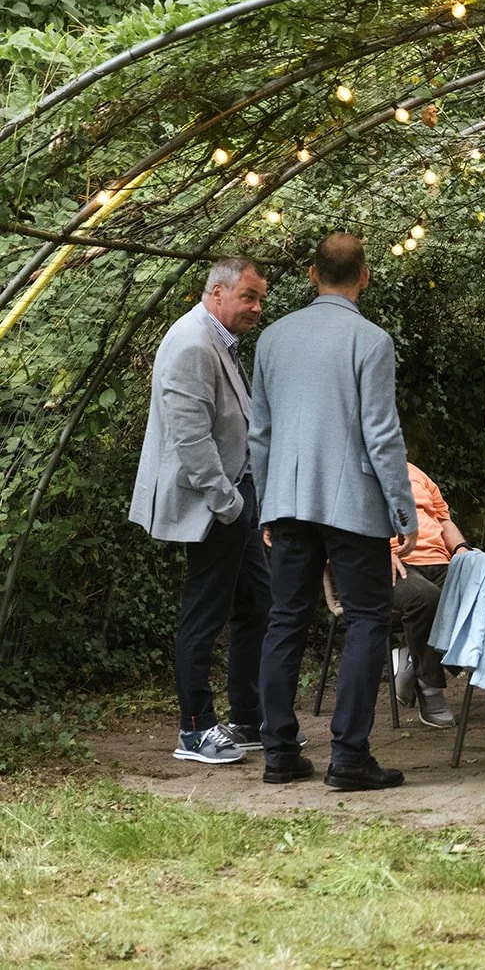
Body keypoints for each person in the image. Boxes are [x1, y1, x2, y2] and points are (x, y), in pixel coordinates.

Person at [250, 233, 417, 791]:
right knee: (368, 619)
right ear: (364, 276)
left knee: (285, 620)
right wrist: (403, 509)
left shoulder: (271, 338)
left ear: (310, 273)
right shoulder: (370, 340)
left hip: (289, 503)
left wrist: (269, 506)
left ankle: (278, 753)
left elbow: (261, 433)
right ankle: (348, 756)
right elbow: (381, 433)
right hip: (353, 505)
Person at [129, 258, 271, 765]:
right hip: (215, 505)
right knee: (204, 615)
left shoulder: (217, 339)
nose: (257, 308)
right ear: (217, 292)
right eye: (249, 297)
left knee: (258, 601)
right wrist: (228, 504)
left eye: (261, 299)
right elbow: (190, 439)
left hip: (235, 499)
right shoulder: (192, 343)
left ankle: (249, 719)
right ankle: (194, 729)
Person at [390, 462, 474, 729]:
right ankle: (429, 687)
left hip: (440, 561)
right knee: (427, 599)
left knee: (481, 590)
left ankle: (413, 663)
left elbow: (443, 519)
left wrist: (461, 548)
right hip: (391, 564)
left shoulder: (418, 473)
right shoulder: (355, 472)